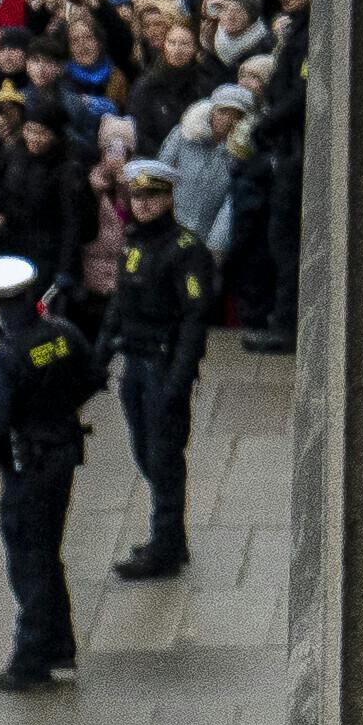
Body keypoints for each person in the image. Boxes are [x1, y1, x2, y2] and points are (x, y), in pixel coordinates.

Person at [0, 246, 102, 689]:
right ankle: (60, 648)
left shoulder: (0, 357)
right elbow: (91, 378)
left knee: (29, 560)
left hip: (28, 462)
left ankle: (32, 659)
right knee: (48, 552)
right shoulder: (61, 333)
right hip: (62, 449)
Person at [100, 159, 215, 579]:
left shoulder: (185, 249)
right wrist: (100, 352)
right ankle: (172, 537)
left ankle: (165, 546)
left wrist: (177, 381)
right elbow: (120, 301)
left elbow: (193, 319)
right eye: (137, 196)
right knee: (145, 453)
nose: (144, 204)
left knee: (164, 457)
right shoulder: (135, 242)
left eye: (152, 196)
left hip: (164, 364)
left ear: (169, 198)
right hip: (135, 361)